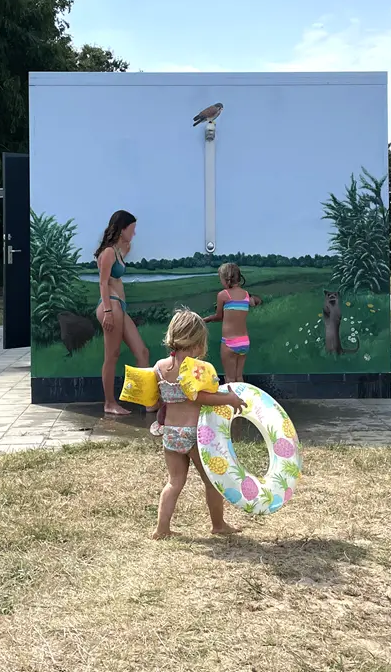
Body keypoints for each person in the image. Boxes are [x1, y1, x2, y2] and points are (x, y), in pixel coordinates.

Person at [151, 308, 246, 540]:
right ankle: (218, 524)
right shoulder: (195, 369)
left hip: (171, 433)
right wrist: (229, 399)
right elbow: (200, 398)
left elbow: (159, 397)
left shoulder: (160, 367)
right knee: (212, 482)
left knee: (174, 482)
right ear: (196, 343)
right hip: (194, 434)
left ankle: (161, 529)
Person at [94, 210, 150, 417]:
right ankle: (109, 402)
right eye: (132, 229)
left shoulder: (117, 251)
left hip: (119, 307)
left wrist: (125, 245)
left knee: (142, 352)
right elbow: (102, 282)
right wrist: (108, 311)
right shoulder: (108, 252)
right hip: (111, 306)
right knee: (112, 355)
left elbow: (126, 247)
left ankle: (143, 399)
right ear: (122, 228)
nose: (134, 234)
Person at [203, 262, 255, 383]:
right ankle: (242, 401)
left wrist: (204, 320)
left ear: (226, 279)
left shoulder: (223, 295)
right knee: (239, 377)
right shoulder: (246, 294)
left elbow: (219, 316)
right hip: (244, 342)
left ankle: (230, 402)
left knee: (230, 379)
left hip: (229, 342)